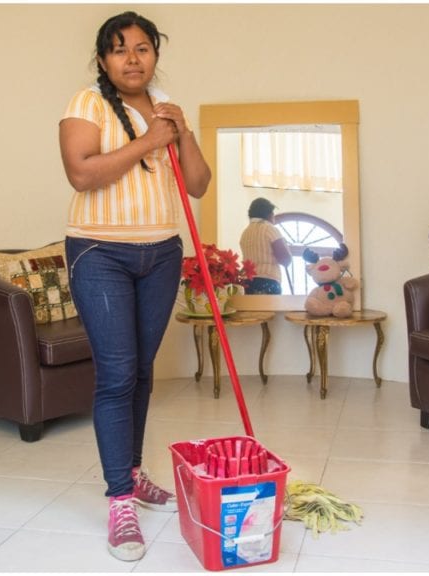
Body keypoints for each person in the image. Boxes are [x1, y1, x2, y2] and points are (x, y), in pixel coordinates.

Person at [58, 11, 211, 562]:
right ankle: (119, 498)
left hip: (163, 253)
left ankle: (135, 472)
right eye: (119, 49)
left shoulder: (169, 110)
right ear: (103, 59)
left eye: (142, 48)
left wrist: (181, 132)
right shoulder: (87, 103)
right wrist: (150, 140)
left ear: (155, 55)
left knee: (143, 370)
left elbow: (197, 185)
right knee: (118, 373)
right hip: (100, 253)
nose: (132, 58)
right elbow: (82, 173)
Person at [239, 197, 292, 294]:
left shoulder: (245, 233)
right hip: (268, 281)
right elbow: (285, 259)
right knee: (268, 309)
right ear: (270, 214)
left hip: (247, 282)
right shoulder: (269, 228)